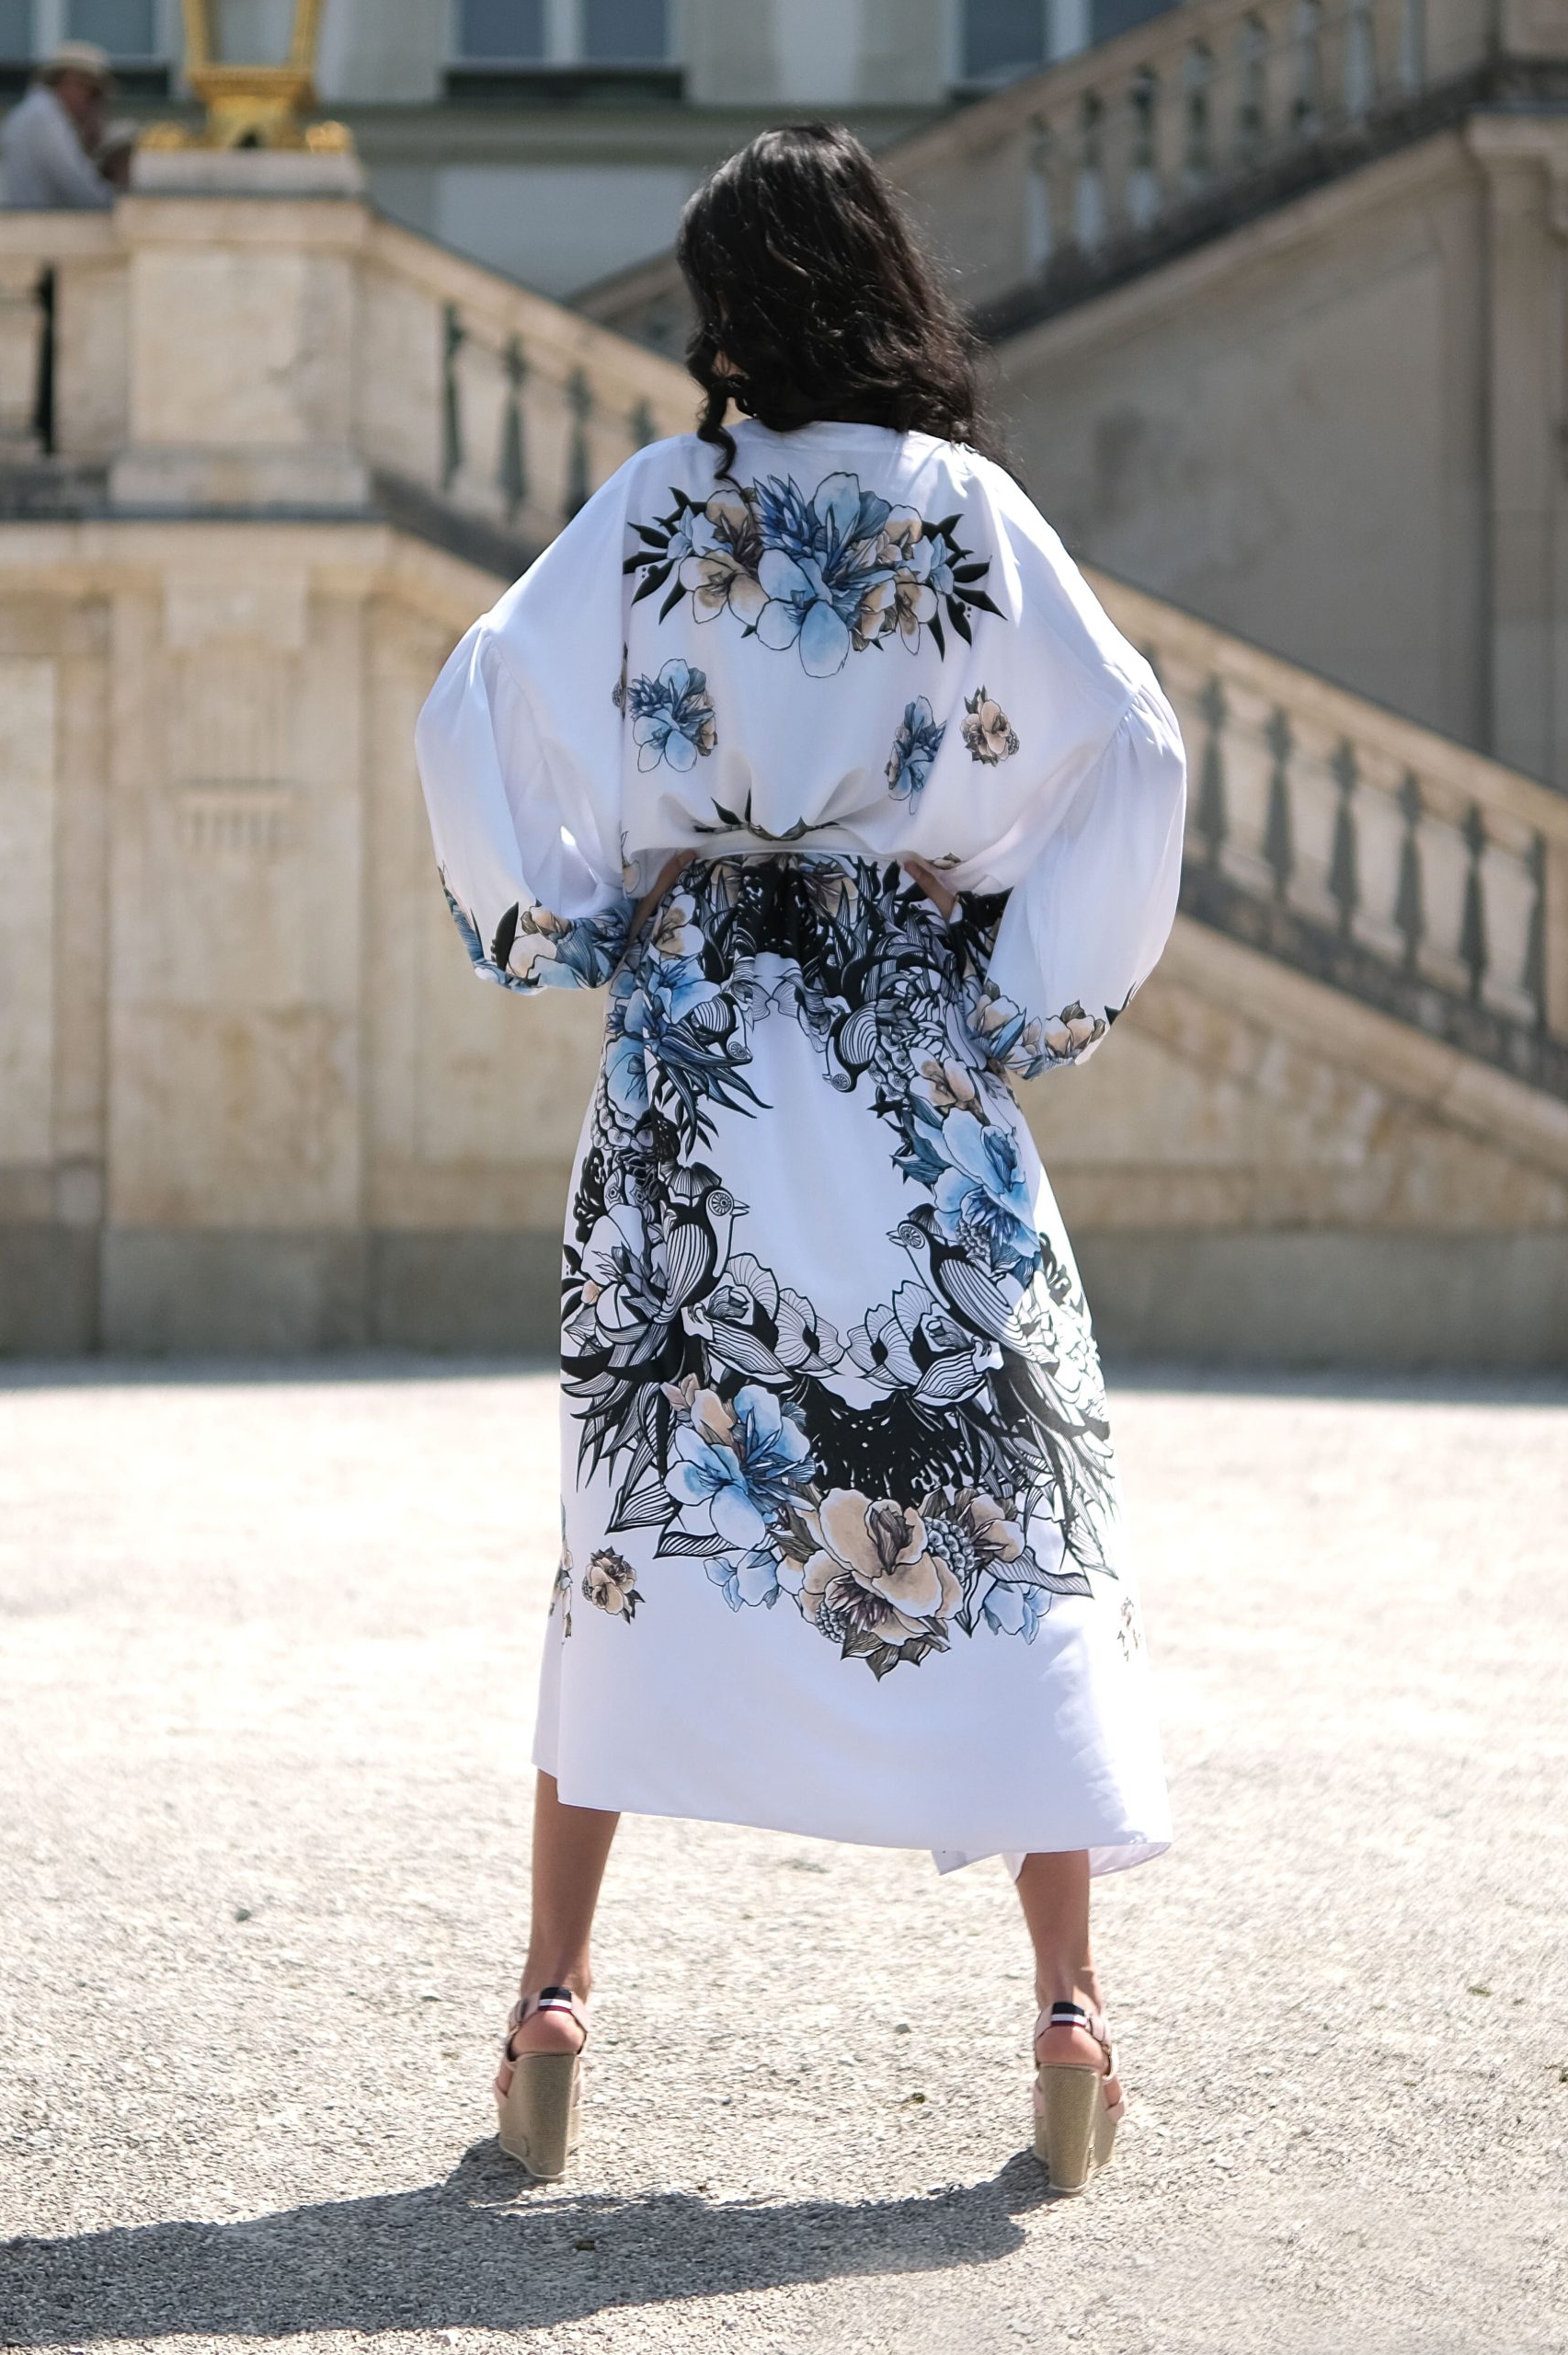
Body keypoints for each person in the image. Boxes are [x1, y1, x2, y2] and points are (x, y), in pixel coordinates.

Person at [415, 123, 1187, 2197]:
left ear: (731, 309)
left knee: (636, 1496)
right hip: (904, 1048)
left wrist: (581, 912)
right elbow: (1141, 749)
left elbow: (475, 693)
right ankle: (1065, 2013)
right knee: (1005, 1479)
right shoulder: (963, 511)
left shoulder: (665, 505)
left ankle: (553, 2000)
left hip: (693, 1063)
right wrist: (1022, 977)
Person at [0, 41, 126, 211]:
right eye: (94, 94)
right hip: (44, 231)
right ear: (73, 81)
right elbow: (82, 191)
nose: (94, 106)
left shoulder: (33, 112)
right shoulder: (46, 117)